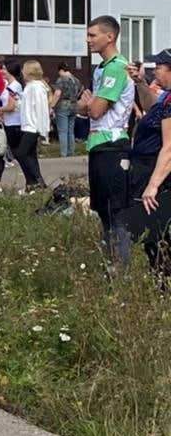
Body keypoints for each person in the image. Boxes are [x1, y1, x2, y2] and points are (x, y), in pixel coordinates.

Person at [80, 15, 134, 262]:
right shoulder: (101, 67)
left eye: (93, 35)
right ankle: (111, 262)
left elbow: (95, 110)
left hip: (113, 144)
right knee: (102, 210)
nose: (88, 40)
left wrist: (90, 104)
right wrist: (88, 105)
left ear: (109, 37)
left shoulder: (116, 67)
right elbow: (83, 108)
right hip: (97, 144)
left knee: (115, 213)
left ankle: (121, 270)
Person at [131, 50, 171, 278]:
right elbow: (150, 107)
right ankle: (161, 277)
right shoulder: (165, 97)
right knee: (153, 233)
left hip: (156, 171)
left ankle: (163, 281)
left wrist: (153, 185)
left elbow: (169, 148)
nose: (155, 71)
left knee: (156, 231)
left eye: (159, 67)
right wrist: (140, 83)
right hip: (147, 166)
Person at [0, 62, 24, 195]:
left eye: (4, 69)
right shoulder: (9, 85)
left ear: (10, 71)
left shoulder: (14, 86)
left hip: (14, 124)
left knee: (19, 154)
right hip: (7, 122)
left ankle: (33, 181)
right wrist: (1, 115)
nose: (1, 71)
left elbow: (11, 106)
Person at [16, 61, 49, 192]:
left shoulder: (36, 87)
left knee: (21, 153)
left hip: (33, 126)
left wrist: (43, 129)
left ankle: (39, 181)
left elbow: (41, 108)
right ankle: (33, 185)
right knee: (30, 155)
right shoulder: (30, 86)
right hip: (28, 125)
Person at [51, 61, 83, 157]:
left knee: (63, 131)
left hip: (63, 106)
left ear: (61, 70)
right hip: (74, 105)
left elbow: (57, 94)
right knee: (70, 130)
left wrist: (51, 106)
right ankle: (71, 151)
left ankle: (63, 153)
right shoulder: (76, 80)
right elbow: (80, 90)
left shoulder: (61, 79)